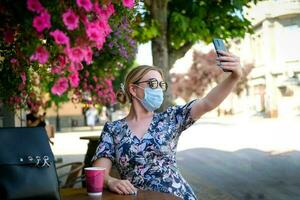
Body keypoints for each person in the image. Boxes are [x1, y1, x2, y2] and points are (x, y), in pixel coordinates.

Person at [92, 50, 242, 200]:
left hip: (177, 196)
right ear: (133, 89)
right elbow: (99, 172)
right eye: (152, 84)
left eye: (160, 85)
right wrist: (111, 181)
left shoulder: (171, 118)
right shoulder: (113, 129)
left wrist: (234, 77)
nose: (158, 89)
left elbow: (207, 103)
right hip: (138, 198)